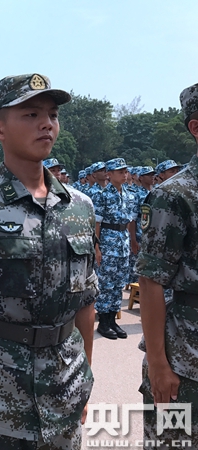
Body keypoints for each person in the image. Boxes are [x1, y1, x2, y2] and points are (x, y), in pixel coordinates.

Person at [0, 74, 97, 449]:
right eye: (30, 114)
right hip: (2, 395)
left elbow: (86, 303)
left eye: (52, 114)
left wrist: (84, 378)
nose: (46, 123)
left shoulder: (79, 207)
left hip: (67, 386)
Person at [135, 83, 198, 446]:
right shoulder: (173, 195)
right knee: (174, 440)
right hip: (186, 358)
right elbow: (151, 280)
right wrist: (158, 363)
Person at [93, 158, 135, 340]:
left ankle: (112, 320)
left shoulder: (129, 194)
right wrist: (97, 248)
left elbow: (130, 221)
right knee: (105, 283)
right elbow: (96, 223)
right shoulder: (102, 195)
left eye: (125, 172)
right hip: (108, 242)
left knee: (118, 283)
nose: (124, 175)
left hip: (122, 242)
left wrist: (132, 241)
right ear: (109, 175)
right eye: (120, 172)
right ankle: (103, 322)